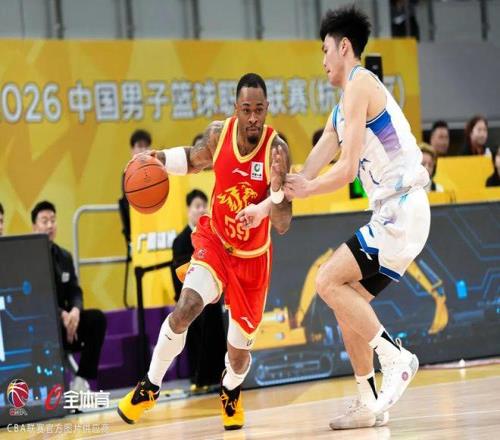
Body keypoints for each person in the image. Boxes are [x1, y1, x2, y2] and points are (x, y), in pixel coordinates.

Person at [238, 6, 430, 431]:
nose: (323, 60)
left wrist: (306, 189)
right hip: (395, 214)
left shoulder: (361, 84)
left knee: (325, 281)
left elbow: (345, 170)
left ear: (344, 47)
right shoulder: (341, 110)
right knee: (347, 304)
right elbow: (305, 173)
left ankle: (395, 356)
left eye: (325, 50)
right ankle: (369, 402)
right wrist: (264, 207)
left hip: (402, 208)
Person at [117, 73, 292, 431]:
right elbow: (193, 159)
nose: (253, 117)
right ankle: (150, 386)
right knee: (186, 308)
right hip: (216, 243)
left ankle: (230, 390)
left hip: (252, 259)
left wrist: (277, 190)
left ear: (267, 108)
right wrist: (160, 158)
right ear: (236, 108)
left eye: (259, 109)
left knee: (238, 355)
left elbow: (284, 222)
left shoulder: (277, 151)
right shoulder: (218, 134)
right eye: (247, 109)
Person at [31, 201, 107, 393]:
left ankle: (81, 380)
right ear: (34, 226)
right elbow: (35, 297)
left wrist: (75, 311)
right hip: (42, 324)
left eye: (53, 220)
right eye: (44, 221)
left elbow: (75, 290)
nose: (50, 225)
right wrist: (60, 314)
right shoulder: (28, 258)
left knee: (97, 319)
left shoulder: (64, 256)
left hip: (67, 325)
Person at [171, 189, 226, 391]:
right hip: (191, 297)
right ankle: (200, 378)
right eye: (197, 206)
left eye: (204, 205)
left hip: (212, 295)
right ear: (189, 210)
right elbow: (179, 273)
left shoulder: (212, 236)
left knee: (217, 322)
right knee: (195, 323)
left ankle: (221, 375)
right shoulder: (180, 241)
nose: (201, 209)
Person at [118, 129, 153, 246]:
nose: (143, 150)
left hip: (156, 226)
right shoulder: (128, 174)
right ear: (132, 150)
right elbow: (128, 205)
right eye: (139, 146)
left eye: (146, 146)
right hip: (137, 229)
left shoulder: (158, 170)